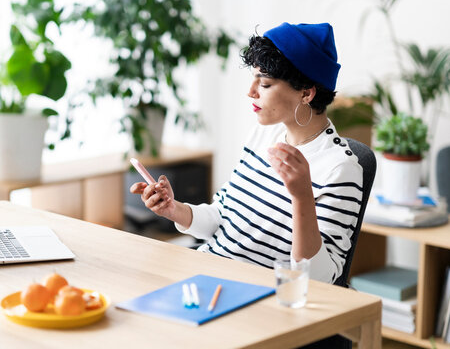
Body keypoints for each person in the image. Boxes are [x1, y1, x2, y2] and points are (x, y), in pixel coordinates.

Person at [129, 22, 363, 284]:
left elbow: (320, 279)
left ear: (306, 93)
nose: (250, 92)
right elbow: (222, 216)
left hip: (260, 297)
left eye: (264, 84)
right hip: (209, 274)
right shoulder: (263, 135)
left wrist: (302, 197)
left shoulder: (341, 168)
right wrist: (174, 210)